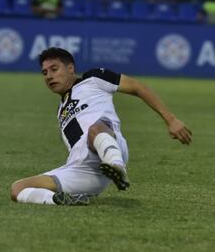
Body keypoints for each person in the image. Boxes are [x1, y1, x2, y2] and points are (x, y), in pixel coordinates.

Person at [10, 47, 192, 206]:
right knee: (17, 189)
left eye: (54, 69)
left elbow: (137, 87)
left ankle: (117, 167)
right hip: (84, 172)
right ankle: (59, 200)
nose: (49, 76)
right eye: (45, 73)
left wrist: (171, 119)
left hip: (110, 144)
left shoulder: (94, 79)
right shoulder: (61, 111)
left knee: (95, 129)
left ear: (70, 68)